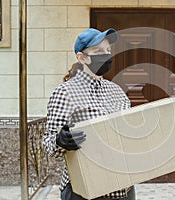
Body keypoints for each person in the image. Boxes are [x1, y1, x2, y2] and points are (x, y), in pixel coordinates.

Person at [43, 28, 136, 200]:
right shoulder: (65, 92)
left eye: (108, 50)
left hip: (123, 189)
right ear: (82, 57)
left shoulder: (116, 91)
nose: (106, 55)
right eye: (98, 51)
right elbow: (48, 144)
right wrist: (60, 140)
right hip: (84, 191)